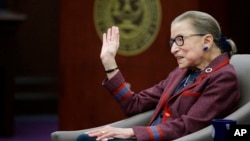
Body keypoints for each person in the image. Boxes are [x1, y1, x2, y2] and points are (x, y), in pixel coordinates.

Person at [77, 10, 240, 141]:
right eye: (172, 42)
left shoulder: (223, 77)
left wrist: (131, 133)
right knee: (86, 139)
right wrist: (109, 62)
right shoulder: (181, 71)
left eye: (180, 40)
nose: (173, 49)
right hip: (145, 137)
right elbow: (134, 104)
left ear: (207, 41)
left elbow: (187, 127)